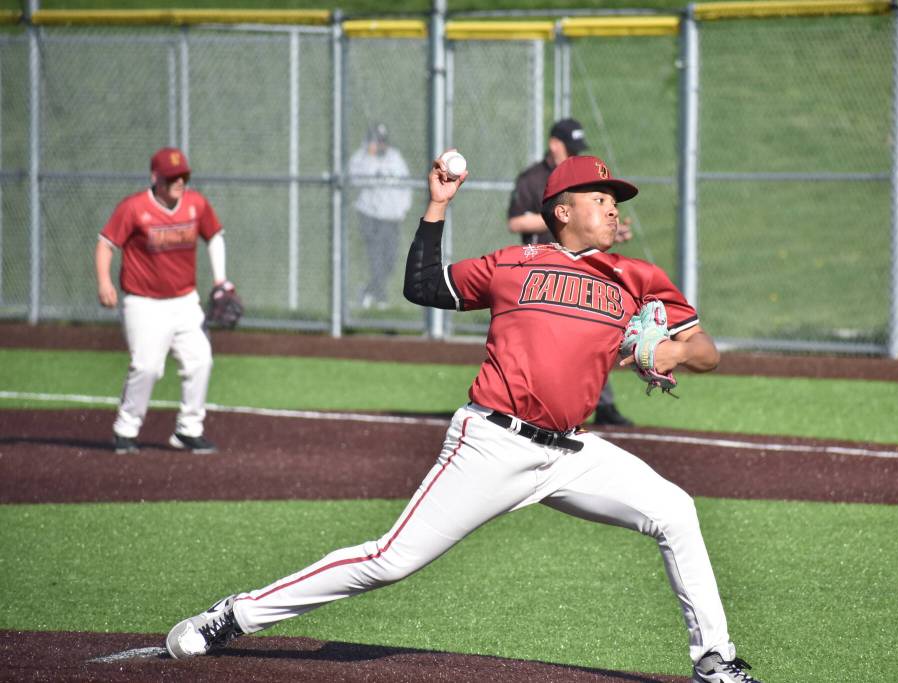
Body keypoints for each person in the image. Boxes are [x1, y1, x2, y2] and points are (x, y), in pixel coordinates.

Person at [165, 153, 763, 683]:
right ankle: (234, 615)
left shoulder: (636, 278)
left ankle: (715, 660)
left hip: (572, 453)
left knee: (676, 511)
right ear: (561, 210)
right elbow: (422, 285)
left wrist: (673, 351)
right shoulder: (512, 264)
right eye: (601, 200)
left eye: (615, 202)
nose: (613, 211)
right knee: (389, 560)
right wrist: (437, 205)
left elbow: (706, 349)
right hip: (492, 445)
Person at [94, 147, 231, 455]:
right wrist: (104, 281)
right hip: (144, 303)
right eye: (172, 177)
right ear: (155, 177)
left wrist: (221, 281)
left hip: (185, 301)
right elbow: (106, 244)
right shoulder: (133, 208)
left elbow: (215, 235)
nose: (179, 181)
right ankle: (126, 429)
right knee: (147, 367)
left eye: (183, 175)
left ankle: (188, 430)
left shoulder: (196, 204)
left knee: (200, 360)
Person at [508, 118, 633, 426]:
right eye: (570, 148)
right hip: (541, 273)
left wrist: (608, 231)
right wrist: (559, 219)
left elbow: (589, 224)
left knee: (589, 336)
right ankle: (524, 402)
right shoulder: (531, 179)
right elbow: (515, 223)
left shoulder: (579, 181)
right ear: (554, 144)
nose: (575, 154)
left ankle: (601, 405)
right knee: (538, 343)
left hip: (579, 267)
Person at [348, 123, 413, 309]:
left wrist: (403, 209)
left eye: (383, 142)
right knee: (376, 258)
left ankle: (368, 291)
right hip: (370, 215)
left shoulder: (395, 158)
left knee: (390, 262)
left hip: (391, 217)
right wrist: (369, 156)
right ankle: (381, 298)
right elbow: (353, 179)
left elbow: (406, 185)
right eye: (377, 141)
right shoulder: (361, 158)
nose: (380, 145)